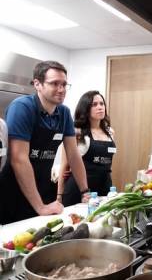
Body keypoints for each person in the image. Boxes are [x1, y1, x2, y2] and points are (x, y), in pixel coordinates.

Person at [0, 61, 89, 224]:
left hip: (43, 189)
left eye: (64, 84)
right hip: (13, 192)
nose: (61, 89)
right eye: (54, 83)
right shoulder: (22, 107)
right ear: (37, 84)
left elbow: (73, 155)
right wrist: (40, 207)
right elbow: (18, 159)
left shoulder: (64, 113)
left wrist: (85, 191)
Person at [57, 91, 116, 206]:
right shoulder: (76, 132)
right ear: (85, 109)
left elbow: (109, 164)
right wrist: (59, 195)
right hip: (79, 190)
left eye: (101, 104)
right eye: (94, 105)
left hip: (104, 186)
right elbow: (64, 165)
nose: (100, 107)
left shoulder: (110, 132)